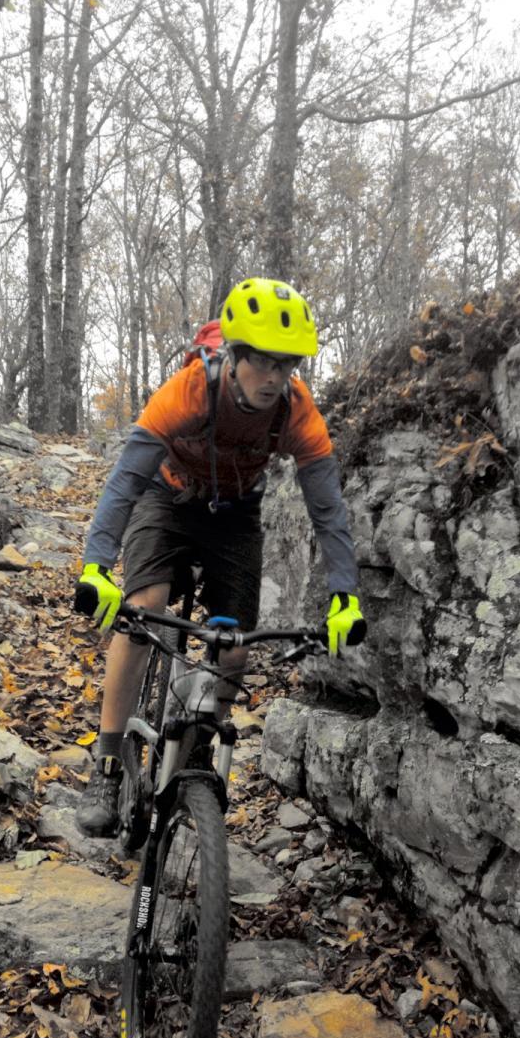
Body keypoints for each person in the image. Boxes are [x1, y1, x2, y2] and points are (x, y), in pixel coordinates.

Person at [73, 277, 366, 836]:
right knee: (144, 608)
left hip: (235, 512)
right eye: (265, 362)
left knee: (233, 649)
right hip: (166, 496)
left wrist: (344, 597)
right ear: (234, 356)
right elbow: (125, 481)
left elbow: (328, 511)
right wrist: (95, 568)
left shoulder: (296, 412)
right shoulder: (190, 390)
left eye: (288, 364)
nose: (276, 377)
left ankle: (196, 750)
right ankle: (107, 762)